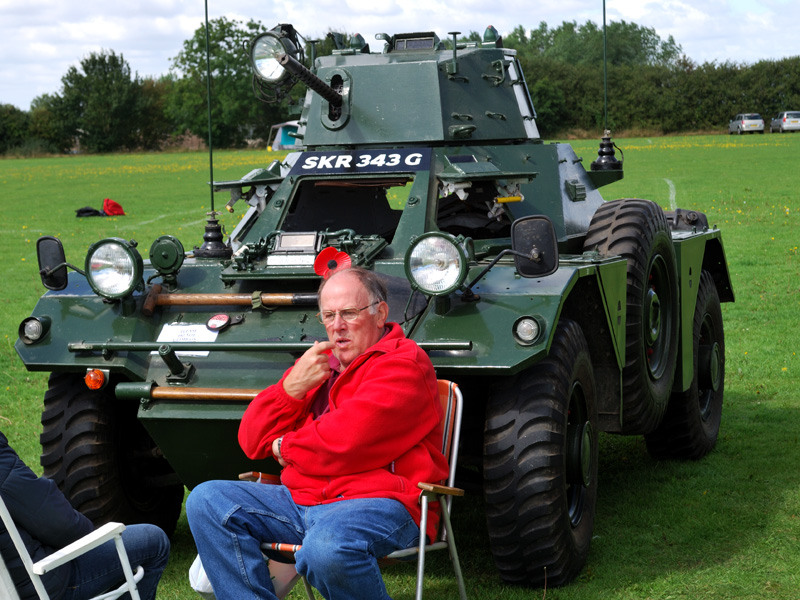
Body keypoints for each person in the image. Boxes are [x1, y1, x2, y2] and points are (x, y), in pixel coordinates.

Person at [186, 266, 448, 600]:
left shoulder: (403, 363)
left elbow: (346, 441)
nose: (337, 327)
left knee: (325, 548)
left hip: (380, 502)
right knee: (207, 500)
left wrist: (285, 447)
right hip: (304, 501)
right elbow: (252, 440)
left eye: (349, 314)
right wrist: (291, 388)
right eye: (329, 315)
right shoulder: (321, 365)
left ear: (380, 313)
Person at [0, 431, 170, 600]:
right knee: (154, 541)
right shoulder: (3, 465)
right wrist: (91, 533)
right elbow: (63, 525)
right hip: (43, 587)